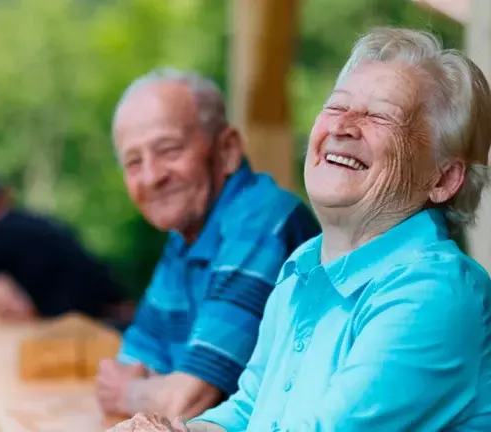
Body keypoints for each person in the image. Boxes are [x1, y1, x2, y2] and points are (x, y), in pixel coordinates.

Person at [110, 27, 491, 431]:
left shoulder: (434, 291)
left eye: (380, 115)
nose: (343, 127)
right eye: (336, 107)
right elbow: (248, 408)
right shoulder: (305, 264)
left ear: (443, 179)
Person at [96, 68, 321, 420]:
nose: (152, 176)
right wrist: (152, 388)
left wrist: (134, 393)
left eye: (168, 150)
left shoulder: (261, 221)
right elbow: (132, 359)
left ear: (228, 149)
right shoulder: (185, 235)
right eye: (134, 162)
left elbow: (187, 402)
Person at [0, 171, 132, 324]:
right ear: (4, 195)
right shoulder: (44, 223)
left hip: (66, 329)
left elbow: (9, 303)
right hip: (115, 312)